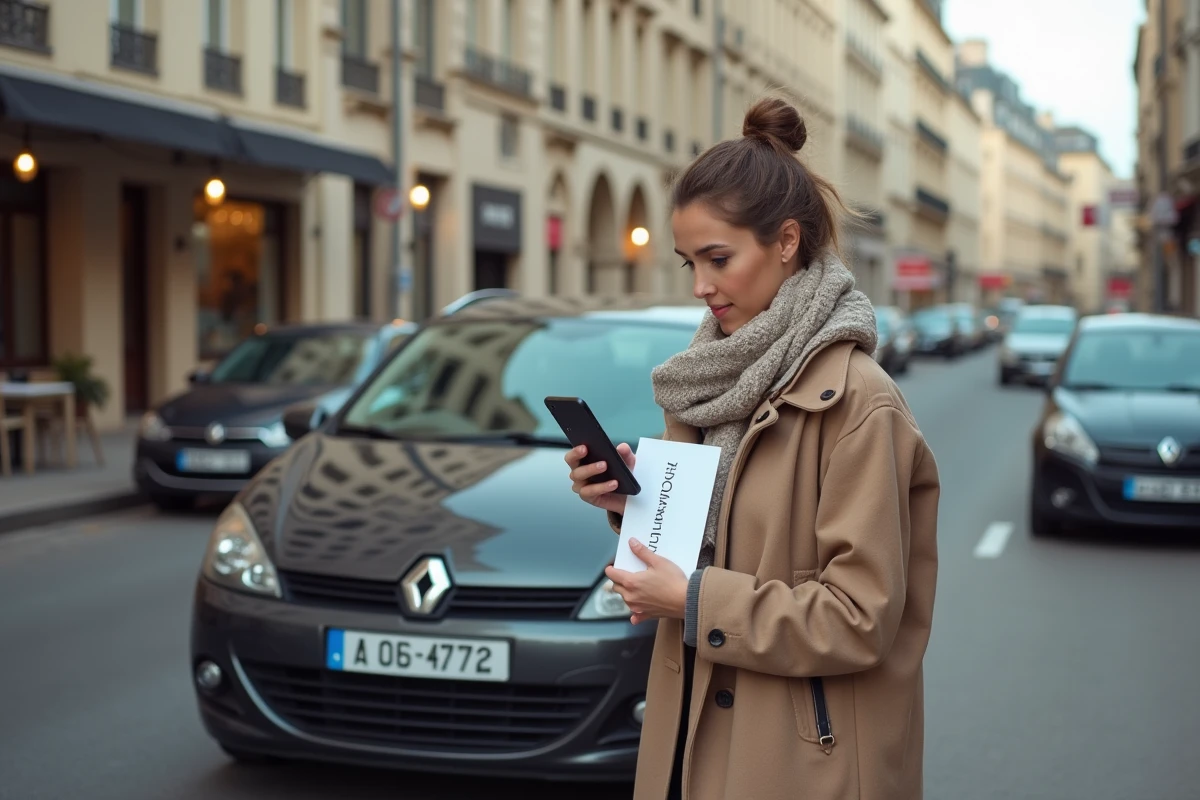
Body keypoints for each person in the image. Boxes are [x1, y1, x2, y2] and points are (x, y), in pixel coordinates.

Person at [564, 96, 940, 800]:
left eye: (719, 258)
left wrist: (696, 601)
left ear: (788, 242)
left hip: (805, 767)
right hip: (696, 744)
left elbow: (858, 618)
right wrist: (630, 504)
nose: (702, 287)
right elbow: (714, 542)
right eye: (689, 264)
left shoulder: (859, 403)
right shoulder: (709, 380)